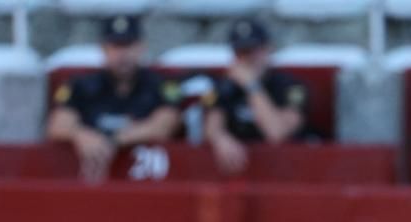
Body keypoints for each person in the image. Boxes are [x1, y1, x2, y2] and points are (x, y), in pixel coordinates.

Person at [46, 15, 180, 183]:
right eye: (116, 46)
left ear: (141, 47)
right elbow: (58, 124)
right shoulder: (81, 86)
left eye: (128, 45)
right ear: (103, 49)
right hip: (89, 180)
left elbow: (165, 124)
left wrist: (114, 141)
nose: (122, 54)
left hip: (148, 179)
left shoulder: (159, 85)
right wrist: (80, 135)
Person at [202, 19, 309, 175]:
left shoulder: (291, 87)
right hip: (238, 173)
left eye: (252, 51)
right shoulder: (223, 87)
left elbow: (276, 133)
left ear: (267, 49)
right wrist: (220, 138)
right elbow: (211, 127)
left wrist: (252, 86)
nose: (246, 59)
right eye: (241, 52)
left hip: (290, 172)